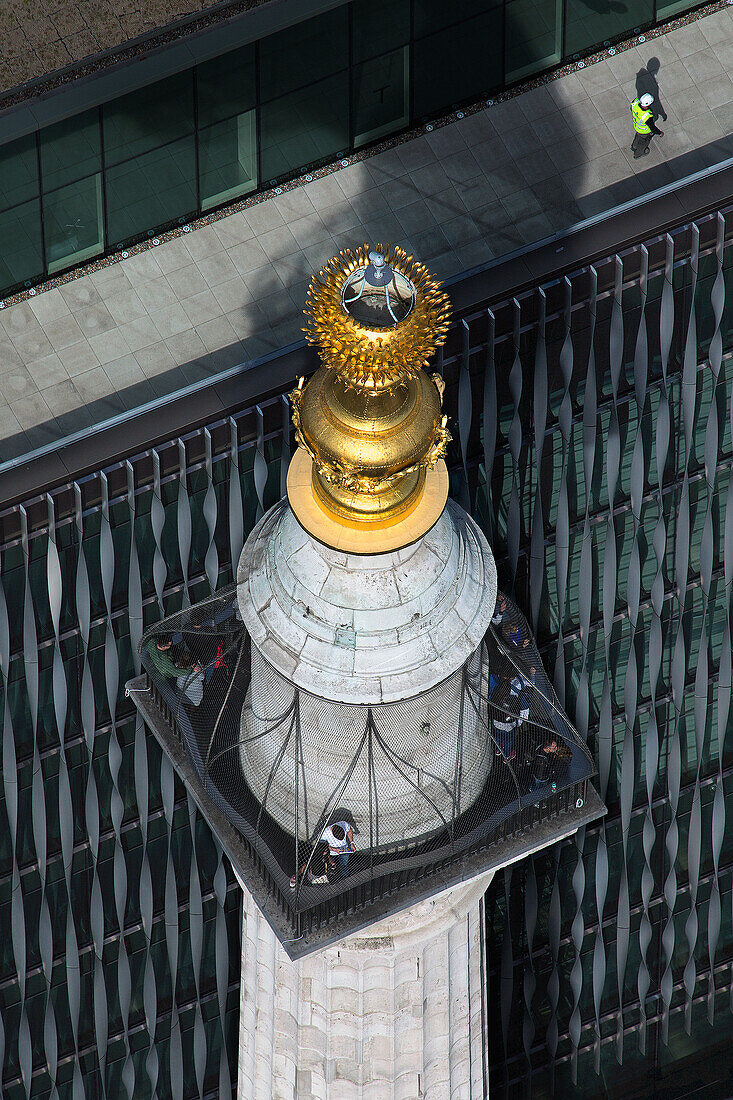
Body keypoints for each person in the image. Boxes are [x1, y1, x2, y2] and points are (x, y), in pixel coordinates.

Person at [630, 93, 663, 159]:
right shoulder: (647, 116)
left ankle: (634, 147)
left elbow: (632, 108)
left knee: (637, 137)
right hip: (644, 131)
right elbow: (652, 128)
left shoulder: (635, 102)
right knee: (643, 143)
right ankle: (638, 154)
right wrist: (659, 133)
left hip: (637, 127)